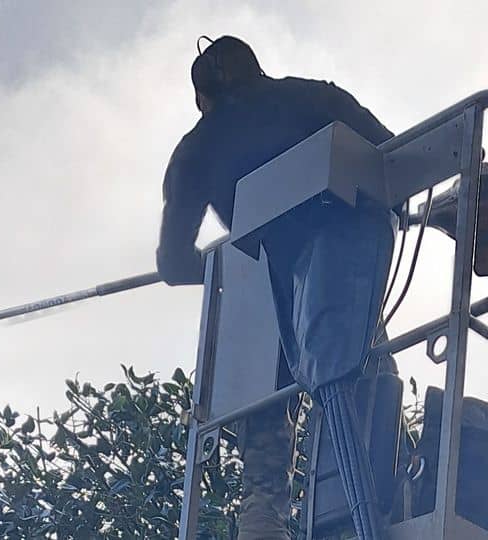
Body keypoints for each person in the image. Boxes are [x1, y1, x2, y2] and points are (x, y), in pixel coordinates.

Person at [156, 35, 398, 540]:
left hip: (260, 309)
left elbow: (174, 263)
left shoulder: (195, 149)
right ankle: (377, 505)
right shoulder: (315, 99)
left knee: (264, 472)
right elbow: (397, 160)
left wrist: (227, 265)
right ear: (256, 71)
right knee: (367, 402)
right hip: (339, 287)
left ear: (203, 97)